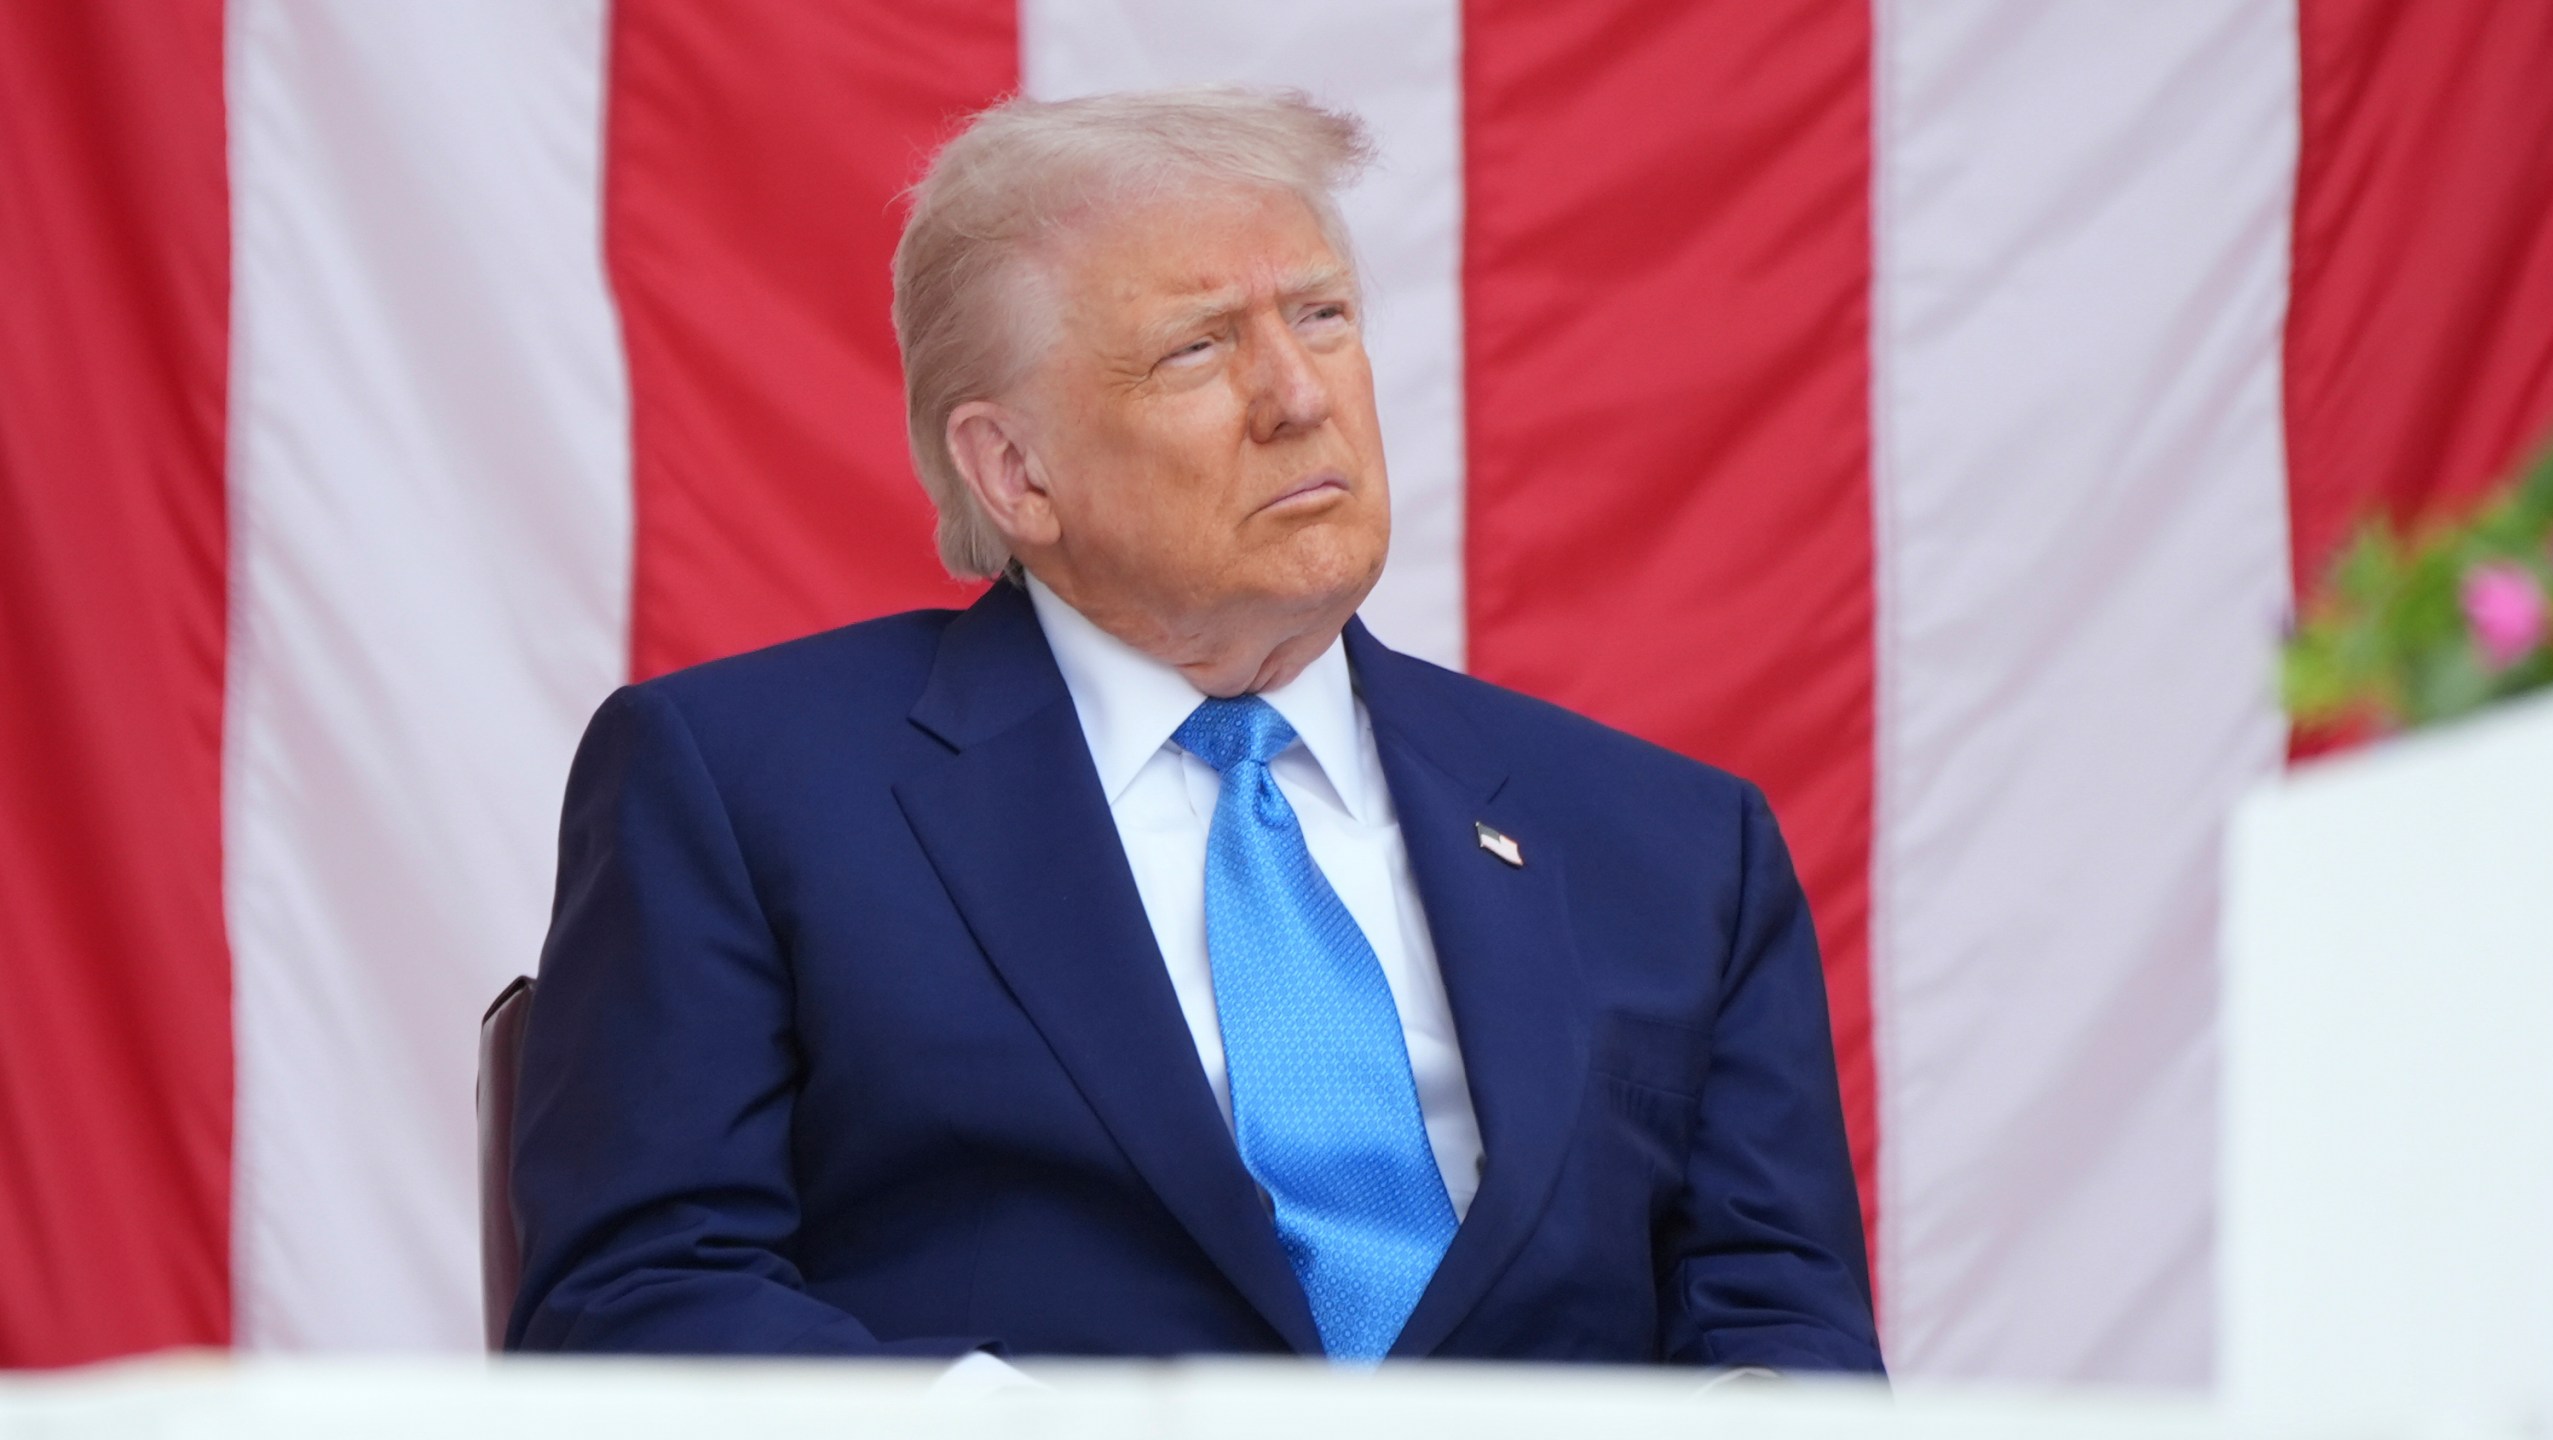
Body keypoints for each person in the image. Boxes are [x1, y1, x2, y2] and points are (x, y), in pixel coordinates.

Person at [507, 86, 1882, 1377]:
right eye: (1199, 347)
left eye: (1324, 316)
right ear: (1017, 470)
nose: (1299, 395)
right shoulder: (748, 787)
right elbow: (640, 1295)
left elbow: (1778, 1330)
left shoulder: (1673, 845)